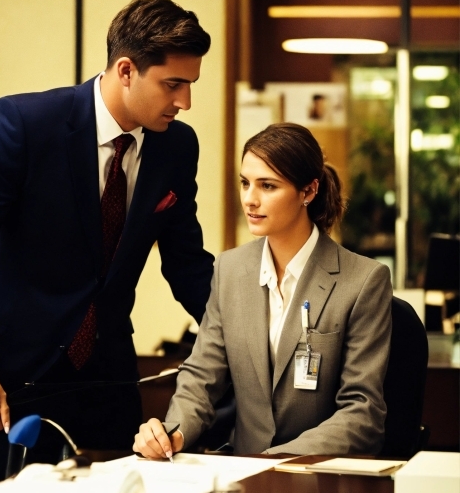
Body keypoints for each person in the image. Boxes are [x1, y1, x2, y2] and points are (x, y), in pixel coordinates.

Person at [0, 0, 215, 487]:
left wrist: (252, 339)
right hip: (2, 380)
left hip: (107, 381)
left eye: (190, 84)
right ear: (126, 70)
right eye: (174, 84)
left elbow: (186, 262)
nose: (185, 101)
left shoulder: (176, 146)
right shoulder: (21, 125)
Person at [133, 122, 392, 460]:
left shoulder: (364, 280)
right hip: (244, 476)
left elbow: (362, 412)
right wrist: (172, 433)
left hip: (319, 475)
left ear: (308, 192)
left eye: (268, 186)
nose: (250, 200)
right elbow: (202, 377)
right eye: (245, 183)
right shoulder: (230, 270)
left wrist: (273, 460)